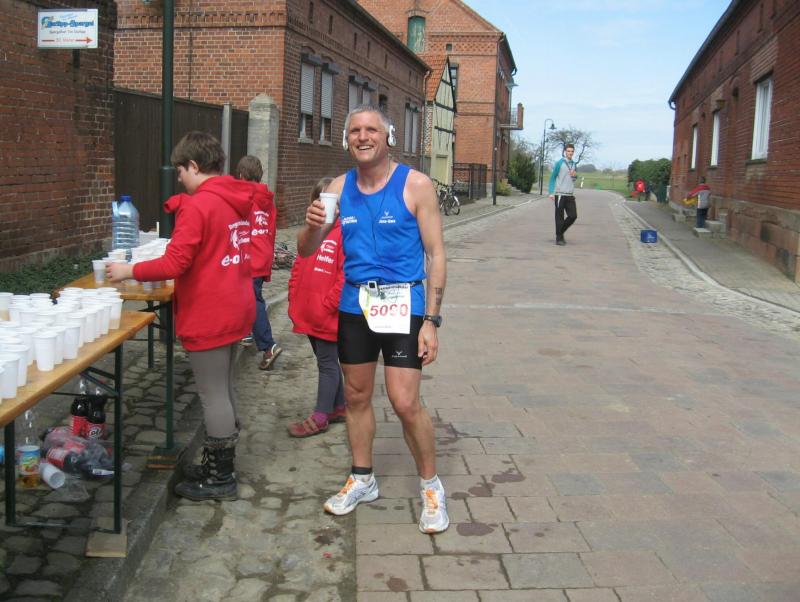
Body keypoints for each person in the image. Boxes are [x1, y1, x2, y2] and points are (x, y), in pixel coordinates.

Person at [297, 105, 449, 534]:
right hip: (355, 305)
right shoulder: (337, 189)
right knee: (357, 396)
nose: (363, 137)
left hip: (405, 304)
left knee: (404, 401)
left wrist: (431, 320)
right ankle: (363, 478)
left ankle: (431, 486)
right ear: (347, 140)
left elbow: (436, 254)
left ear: (388, 137)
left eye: (371, 130)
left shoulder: (416, 185)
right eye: (355, 131)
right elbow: (306, 249)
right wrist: (311, 226)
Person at [107, 131, 255, 502]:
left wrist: (128, 271)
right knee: (224, 387)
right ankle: (220, 465)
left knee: (212, 394)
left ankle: (220, 477)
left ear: (193, 166)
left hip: (210, 310)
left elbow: (175, 262)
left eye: (180, 171)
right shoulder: (236, 197)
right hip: (236, 303)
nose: (178, 178)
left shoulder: (200, 205)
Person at [286, 177, 347, 437]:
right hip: (309, 312)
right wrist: (294, 295)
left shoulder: (344, 234)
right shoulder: (312, 234)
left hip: (327, 315)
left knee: (327, 363)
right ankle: (339, 406)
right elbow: (299, 265)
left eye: (334, 202)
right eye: (323, 201)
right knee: (325, 360)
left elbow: (345, 276)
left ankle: (321, 416)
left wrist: (328, 305)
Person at [236, 155, 282, 370]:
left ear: (241, 175)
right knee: (249, 295)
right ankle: (246, 332)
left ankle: (268, 346)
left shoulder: (242, 196)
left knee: (253, 300)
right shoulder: (267, 200)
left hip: (249, 256)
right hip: (263, 254)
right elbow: (271, 230)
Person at [548, 143, 578, 245]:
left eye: (572, 151)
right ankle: (559, 238)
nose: (570, 153)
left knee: (573, 216)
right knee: (559, 217)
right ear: (565, 152)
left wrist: (575, 176)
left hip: (570, 195)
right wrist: (551, 192)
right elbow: (552, 178)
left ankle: (559, 233)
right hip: (560, 194)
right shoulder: (559, 163)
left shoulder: (574, 164)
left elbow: (573, 178)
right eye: (568, 151)